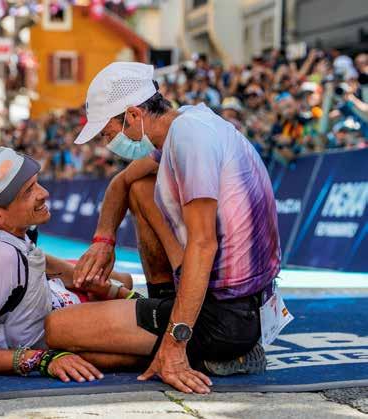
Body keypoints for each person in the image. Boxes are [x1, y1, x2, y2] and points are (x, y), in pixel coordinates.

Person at [45, 62, 283, 394]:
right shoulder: (185, 124)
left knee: (57, 330)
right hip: (237, 304)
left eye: (107, 133)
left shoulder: (190, 140)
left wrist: (175, 344)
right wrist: (103, 240)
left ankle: (204, 346)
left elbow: (204, 245)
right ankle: (169, 313)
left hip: (226, 316)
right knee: (141, 187)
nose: (107, 142)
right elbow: (120, 183)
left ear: (132, 115)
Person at [0, 147, 137, 382]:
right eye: (28, 191)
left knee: (123, 280)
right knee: (146, 341)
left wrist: (116, 290)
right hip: (62, 328)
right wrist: (41, 360)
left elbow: (38, 263)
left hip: (58, 303)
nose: (44, 193)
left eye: (36, 183)